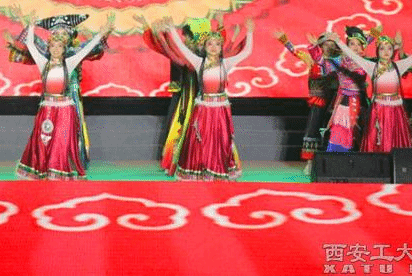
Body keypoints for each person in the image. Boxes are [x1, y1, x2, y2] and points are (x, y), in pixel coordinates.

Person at [135, 13, 244, 175]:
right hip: (187, 100)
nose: (184, 39)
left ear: (196, 37)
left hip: (202, 103)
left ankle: (210, 163)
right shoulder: (187, 54)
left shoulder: (201, 58)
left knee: (208, 134)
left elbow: (169, 47)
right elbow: (166, 47)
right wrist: (156, 31)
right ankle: (190, 163)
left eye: (187, 36)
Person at [6, 7, 109, 169]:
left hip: (68, 101)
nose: (56, 46)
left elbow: (89, 48)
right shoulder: (44, 62)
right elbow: (32, 43)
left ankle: (68, 162)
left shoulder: (72, 58)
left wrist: (103, 33)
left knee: (65, 134)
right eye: (54, 41)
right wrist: (26, 22)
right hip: (48, 105)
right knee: (45, 135)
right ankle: (45, 163)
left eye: (61, 41)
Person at [162, 16, 254, 180]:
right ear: (205, 46)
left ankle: (216, 169)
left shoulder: (226, 64)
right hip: (203, 110)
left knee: (220, 141)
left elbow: (247, 52)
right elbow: (181, 48)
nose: (213, 47)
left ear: (221, 47)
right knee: (200, 141)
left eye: (217, 44)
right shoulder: (199, 63)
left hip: (220, 111)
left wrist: (251, 32)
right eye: (210, 44)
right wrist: (171, 30)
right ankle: (200, 169)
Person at [330, 25, 412, 153]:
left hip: (396, 111)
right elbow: (353, 55)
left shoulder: (399, 66)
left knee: (395, 141)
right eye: (382, 48)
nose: (386, 51)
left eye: (389, 48)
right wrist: (338, 41)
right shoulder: (371, 66)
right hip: (378, 110)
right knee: (378, 140)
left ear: (393, 51)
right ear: (378, 51)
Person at [274, 30, 338, 174]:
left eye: (332, 44)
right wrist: (285, 41)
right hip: (318, 101)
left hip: (334, 101)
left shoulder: (338, 61)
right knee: (313, 129)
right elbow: (296, 52)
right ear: (320, 46)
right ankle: (310, 162)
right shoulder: (312, 60)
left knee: (331, 131)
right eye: (326, 44)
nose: (329, 46)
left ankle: (330, 162)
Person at [323, 26, 370, 152]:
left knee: (358, 130)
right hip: (344, 100)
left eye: (359, 44)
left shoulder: (366, 62)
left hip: (360, 102)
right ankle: (337, 156)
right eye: (352, 44)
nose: (355, 47)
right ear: (347, 46)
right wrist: (324, 48)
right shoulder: (340, 60)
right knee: (341, 127)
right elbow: (324, 66)